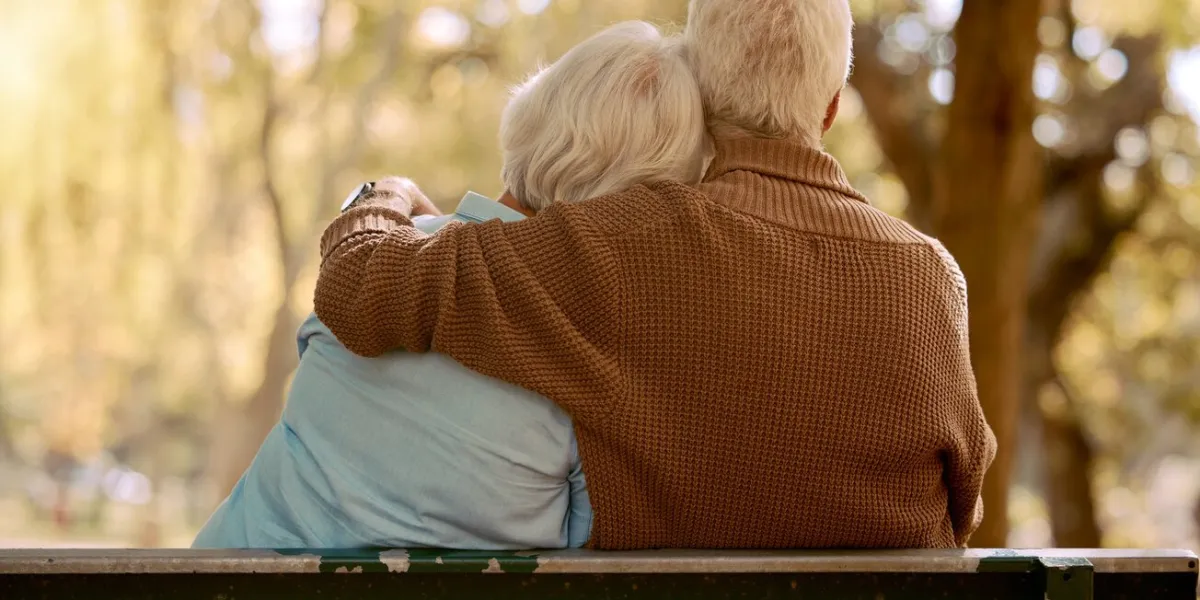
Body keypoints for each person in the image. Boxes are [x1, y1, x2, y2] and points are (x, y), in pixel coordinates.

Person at [314, 0, 997, 550]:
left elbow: (359, 288)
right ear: (831, 106)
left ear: (698, 84)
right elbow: (963, 506)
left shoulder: (622, 242)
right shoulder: (930, 280)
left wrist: (387, 194)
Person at [192, 21, 707, 549]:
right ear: (639, 204)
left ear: (532, 117)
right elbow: (579, 539)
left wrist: (395, 197)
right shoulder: (590, 363)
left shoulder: (371, 263)